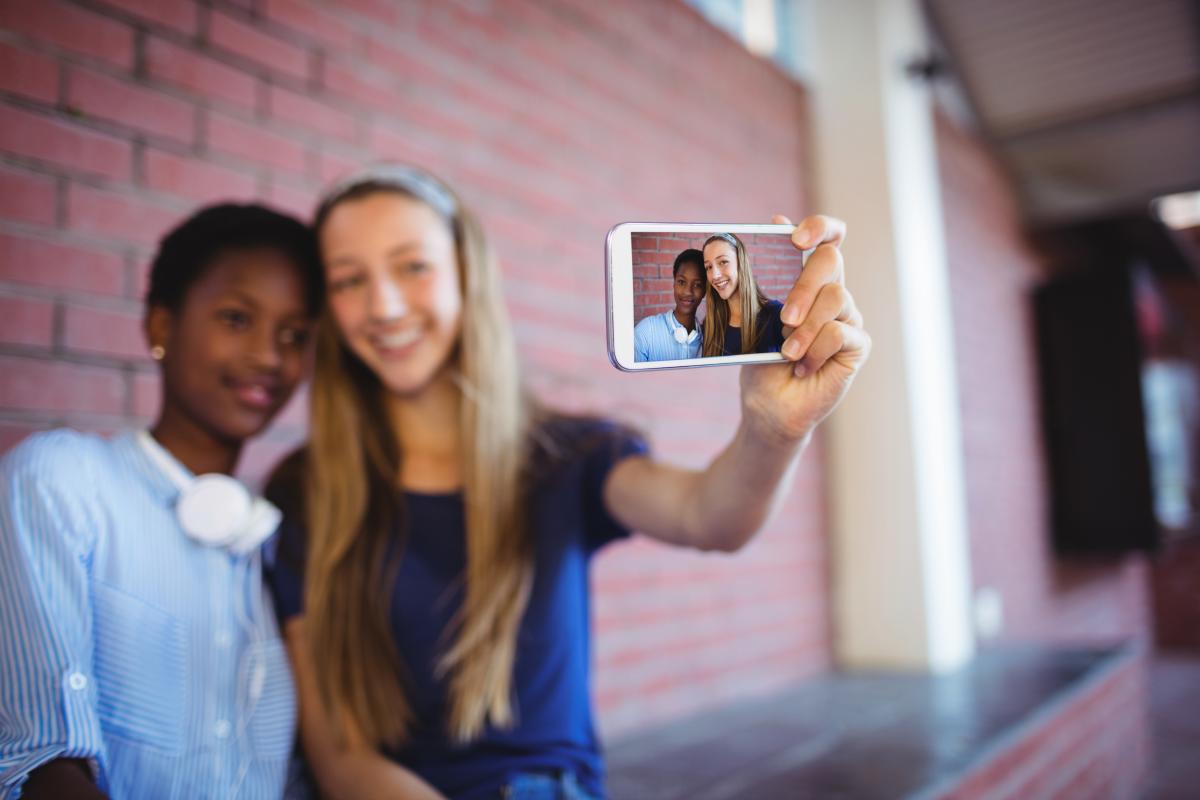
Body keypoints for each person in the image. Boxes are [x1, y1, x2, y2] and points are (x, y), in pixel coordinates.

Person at [264, 164, 869, 800]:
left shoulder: (568, 456)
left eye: (412, 266)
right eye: (349, 280)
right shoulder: (305, 488)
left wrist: (772, 430)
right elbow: (340, 760)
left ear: (468, 276)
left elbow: (707, 517)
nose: (382, 306)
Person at [0, 204, 323, 799]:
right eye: (236, 319)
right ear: (160, 327)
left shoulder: (277, 548)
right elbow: (40, 765)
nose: (269, 358)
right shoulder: (63, 486)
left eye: (294, 336)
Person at [700, 232, 786, 356]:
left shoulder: (775, 314)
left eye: (723, 262)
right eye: (708, 267)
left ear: (741, 262)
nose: (715, 275)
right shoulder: (710, 325)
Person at [633, 248, 706, 361]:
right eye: (681, 282)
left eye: (697, 285)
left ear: (705, 291)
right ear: (674, 283)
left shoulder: (708, 341)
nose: (688, 292)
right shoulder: (645, 332)